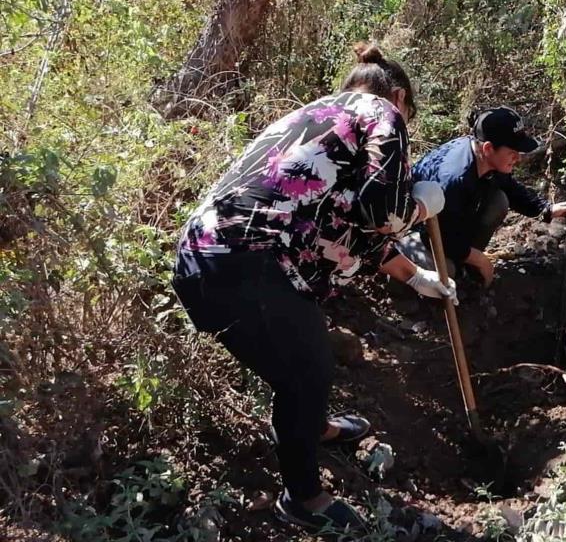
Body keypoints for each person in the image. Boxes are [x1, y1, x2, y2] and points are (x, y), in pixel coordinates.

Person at [170, 43, 453, 534]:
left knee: (301, 363)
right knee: (307, 372)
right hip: (247, 260)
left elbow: (350, 229)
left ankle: (313, 427)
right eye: (408, 114)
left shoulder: (319, 117)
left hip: (206, 254)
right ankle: (303, 499)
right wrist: (419, 208)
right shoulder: (382, 110)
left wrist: (419, 278)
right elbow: (381, 214)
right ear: (401, 97)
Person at [399, 107, 566, 286]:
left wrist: (546, 209)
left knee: (499, 200)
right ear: (489, 148)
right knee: (447, 274)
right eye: (513, 152)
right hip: (419, 232)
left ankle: (464, 266)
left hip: (450, 223)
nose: (518, 158)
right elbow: (440, 237)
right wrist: (481, 261)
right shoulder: (454, 179)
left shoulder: (484, 158)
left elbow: (510, 189)